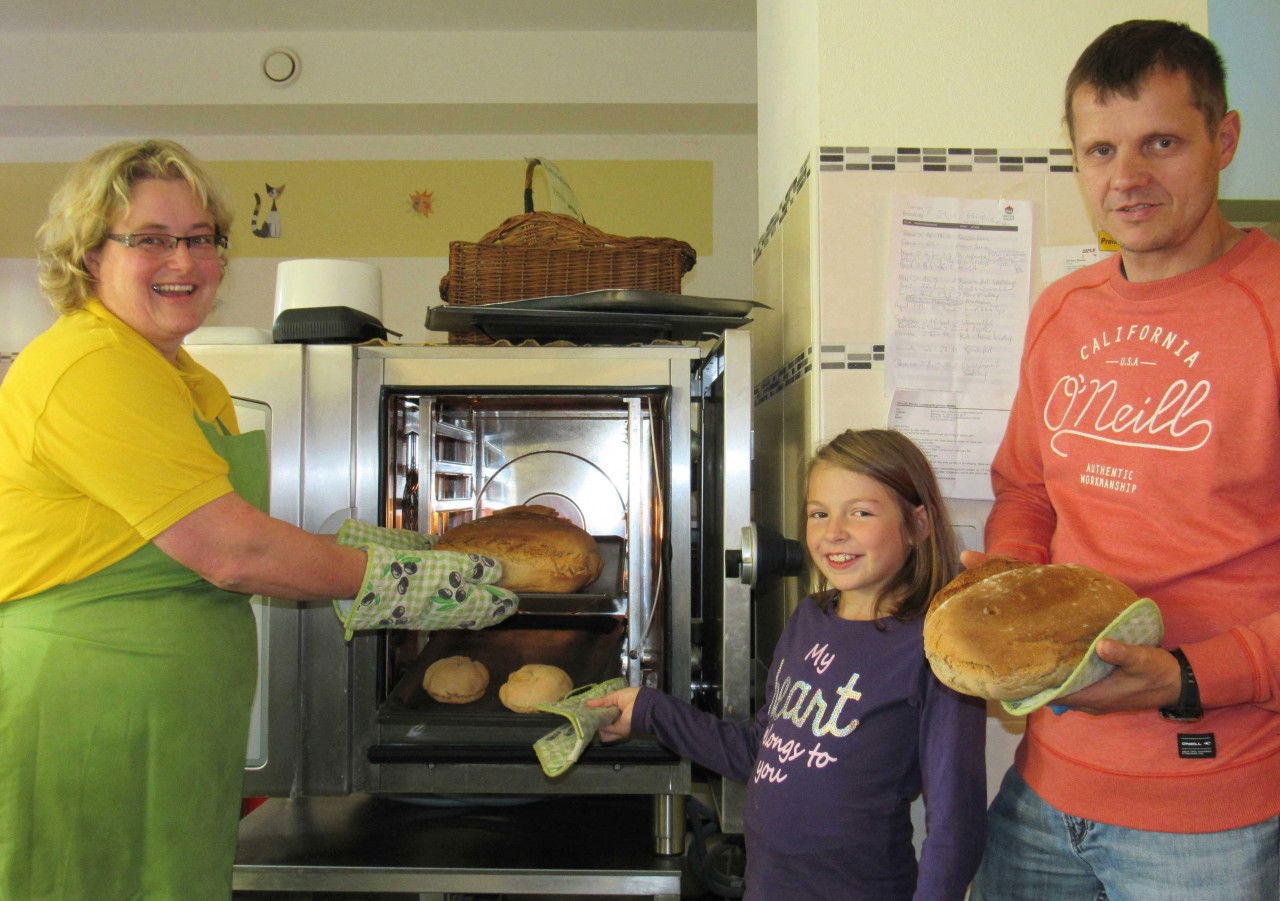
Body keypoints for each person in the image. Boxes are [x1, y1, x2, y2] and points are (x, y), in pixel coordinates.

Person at [0, 139, 517, 899]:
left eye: (202, 238)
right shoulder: (91, 365)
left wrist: (383, 548)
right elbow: (233, 550)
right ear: (87, 254)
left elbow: (215, 527)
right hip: (87, 722)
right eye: (150, 239)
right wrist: (405, 579)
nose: (184, 260)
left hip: (168, 725)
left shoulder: (179, 374)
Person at [969, 19, 1280, 901]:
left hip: (1213, 817)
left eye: (1161, 144)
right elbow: (1027, 488)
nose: (1127, 178)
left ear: (1225, 140)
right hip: (1043, 788)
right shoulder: (1062, 308)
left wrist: (1187, 676)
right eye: (1100, 150)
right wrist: (1010, 590)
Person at [588, 429, 987, 900]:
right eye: (819, 514)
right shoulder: (809, 619)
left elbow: (955, 822)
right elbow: (760, 751)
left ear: (918, 525)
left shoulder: (940, 647)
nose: (834, 531)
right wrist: (650, 710)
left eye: (860, 512)